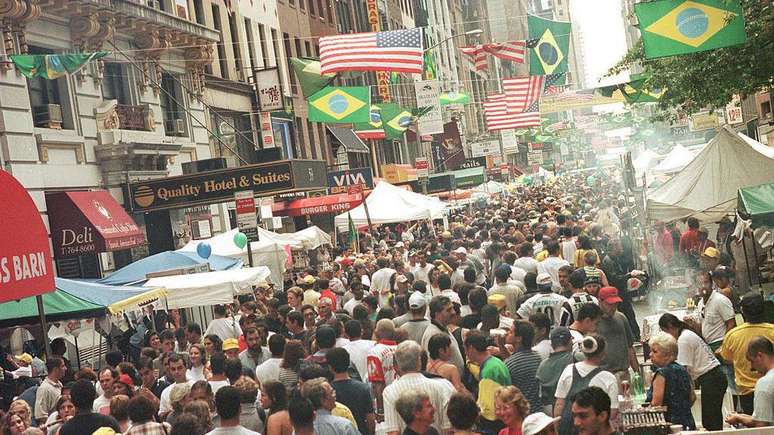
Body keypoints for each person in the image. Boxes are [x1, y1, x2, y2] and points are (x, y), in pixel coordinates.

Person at [658, 313, 726, 430]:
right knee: (712, 418)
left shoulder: (684, 339)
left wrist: (688, 392)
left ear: (670, 326)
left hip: (711, 378)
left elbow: (683, 370)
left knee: (711, 420)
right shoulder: (687, 334)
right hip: (713, 376)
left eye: (665, 331)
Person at [718, 292, 774, 415]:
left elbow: (727, 358)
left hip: (746, 393)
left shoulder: (733, 335)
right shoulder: (772, 331)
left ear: (743, 312)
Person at [383, 341, 455, 435]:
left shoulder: (390, 392)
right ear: (419, 361)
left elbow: (393, 432)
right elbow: (448, 429)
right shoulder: (442, 386)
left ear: (396, 365)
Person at [554, 335, 619, 435]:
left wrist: (556, 429)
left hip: (567, 430)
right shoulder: (608, 378)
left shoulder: (568, 370)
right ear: (604, 353)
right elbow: (613, 412)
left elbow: (559, 404)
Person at [647, 333, 696, 430]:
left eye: (655, 351)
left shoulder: (662, 373)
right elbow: (692, 397)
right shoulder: (682, 369)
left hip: (669, 424)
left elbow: (656, 404)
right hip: (687, 421)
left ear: (667, 355)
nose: (650, 355)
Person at [465, 330, 510, 433]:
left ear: (471, 348)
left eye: (465, 349)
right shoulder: (495, 362)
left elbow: (489, 411)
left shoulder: (488, 371)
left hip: (494, 427)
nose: (465, 353)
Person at [725, 336, 774, 428]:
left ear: (760, 356)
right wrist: (739, 417)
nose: (752, 368)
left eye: (752, 361)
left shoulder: (765, 383)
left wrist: (740, 419)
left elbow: (761, 425)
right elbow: (763, 418)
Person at [328, 348, 375, 435]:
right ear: (348, 363)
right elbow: (370, 419)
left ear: (330, 367)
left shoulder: (328, 392)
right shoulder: (363, 388)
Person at [595, 287, 638, 380]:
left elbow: (630, 347)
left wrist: (637, 373)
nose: (613, 307)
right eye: (609, 304)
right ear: (600, 301)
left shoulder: (621, 318)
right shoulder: (594, 322)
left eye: (615, 304)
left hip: (623, 373)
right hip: (603, 374)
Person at [502, 320, 543, 414]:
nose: (507, 333)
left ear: (519, 338)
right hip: (538, 409)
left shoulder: (510, 364)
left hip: (522, 412)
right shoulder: (538, 357)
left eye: (511, 332)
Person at [421, 296, 465, 374]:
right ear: (437, 314)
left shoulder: (444, 328)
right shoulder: (433, 335)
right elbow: (434, 366)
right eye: (448, 310)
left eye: (452, 308)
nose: (453, 312)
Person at [536, 327, 574, 416]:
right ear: (569, 341)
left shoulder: (542, 365)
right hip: (571, 411)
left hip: (548, 413)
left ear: (552, 345)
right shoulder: (574, 360)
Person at [34, 358, 65, 425]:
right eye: (62, 366)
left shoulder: (59, 384)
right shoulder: (44, 389)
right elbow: (41, 416)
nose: (65, 368)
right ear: (56, 369)